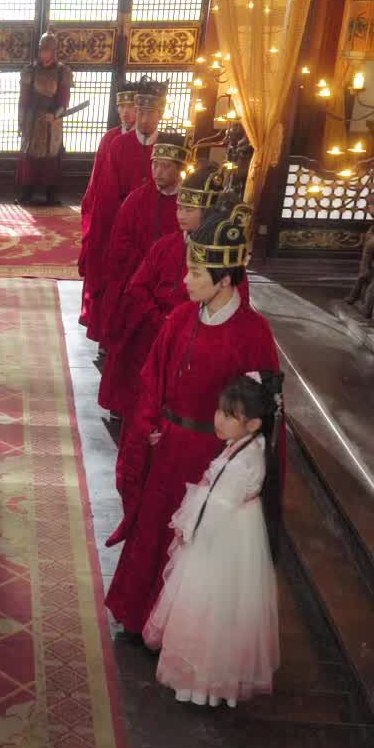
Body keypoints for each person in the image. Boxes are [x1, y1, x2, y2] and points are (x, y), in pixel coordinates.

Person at [106, 204, 282, 640]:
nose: (184, 281)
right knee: (154, 529)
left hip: (211, 457)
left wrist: (234, 453)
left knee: (191, 545)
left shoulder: (253, 332)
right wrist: (148, 423)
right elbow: (153, 376)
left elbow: (260, 407)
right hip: (167, 445)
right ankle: (138, 615)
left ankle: (176, 631)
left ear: (224, 280)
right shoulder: (182, 317)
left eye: (196, 274)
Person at [144, 371, 283, 707]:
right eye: (220, 410)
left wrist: (188, 527)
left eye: (230, 415)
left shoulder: (241, 462)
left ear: (253, 424)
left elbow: (216, 506)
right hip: (236, 531)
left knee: (210, 605)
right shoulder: (249, 446)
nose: (218, 419)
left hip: (222, 538)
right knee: (226, 608)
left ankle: (200, 682)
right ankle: (212, 681)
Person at [98, 158, 224, 423]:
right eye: (179, 208)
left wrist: (179, 324)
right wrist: (156, 317)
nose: (180, 216)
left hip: (193, 336)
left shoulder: (223, 257)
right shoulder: (166, 245)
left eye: (189, 210)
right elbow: (138, 286)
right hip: (153, 323)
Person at [80, 76, 167, 348]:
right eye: (139, 111)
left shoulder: (167, 146)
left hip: (158, 229)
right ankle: (112, 338)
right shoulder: (117, 144)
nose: (142, 118)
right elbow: (106, 195)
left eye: (150, 112)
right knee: (119, 285)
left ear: (161, 113)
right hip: (122, 228)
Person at [94, 130, 189, 355]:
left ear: (179, 169)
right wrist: (145, 267)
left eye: (166, 166)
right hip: (135, 279)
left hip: (173, 284)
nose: (158, 172)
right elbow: (119, 242)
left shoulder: (187, 207)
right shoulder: (136, 199)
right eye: (155, 165)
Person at [79, 87, 136, 331]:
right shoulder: (110, 137)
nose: (125, 112)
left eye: (131, 106)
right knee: (103, 267)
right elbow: (97, 180)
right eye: (121, 106)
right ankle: (100, 321)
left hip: (137, 214)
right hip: (109, 209)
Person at [16, 31, 72, 206]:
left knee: (52, 156)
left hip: (52, 121)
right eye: (42, 49)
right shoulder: (30, 70)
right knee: (30, 155)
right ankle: (27, 192)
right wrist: (21, 121)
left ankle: (51, 194)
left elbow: (64, 99)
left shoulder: (63, 72)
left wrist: (55, 115)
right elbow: (23, 99)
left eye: (48, 50)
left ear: (54, 51)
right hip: (32, 119)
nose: (44, 53)